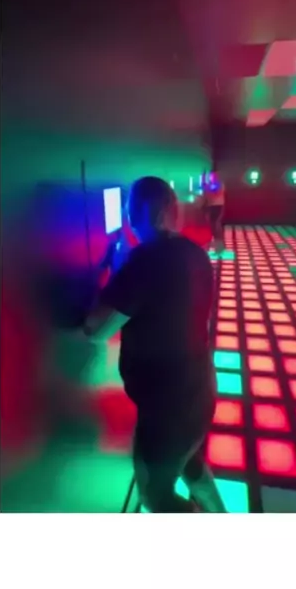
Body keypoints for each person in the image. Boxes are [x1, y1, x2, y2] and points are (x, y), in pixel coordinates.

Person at [83, 176, 226, 513]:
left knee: (156, 496)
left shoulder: (142, 262)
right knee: (189, 460)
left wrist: (111, 275)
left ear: (141, 212)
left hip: (166, 408)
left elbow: (96, 329)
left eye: (128, 208)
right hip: (200, 389)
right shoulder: (195, 253)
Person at [202, 170, 226, 254]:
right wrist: (203, 179)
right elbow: (206, 191)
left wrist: (207, 188)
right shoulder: (210, 185)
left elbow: (215, 193)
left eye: (214, 176)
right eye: (211, 176)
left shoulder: (219, 184)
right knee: (212, 226)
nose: (212, 178)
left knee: (216, 225)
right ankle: (217, 247)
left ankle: (220, 247)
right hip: (211, 206)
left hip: (218, 206)